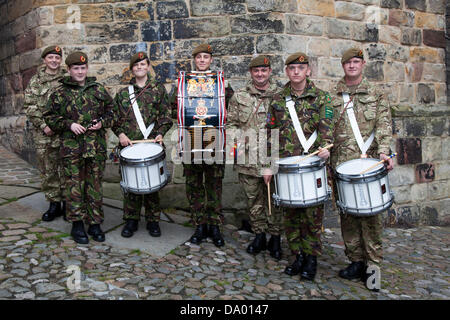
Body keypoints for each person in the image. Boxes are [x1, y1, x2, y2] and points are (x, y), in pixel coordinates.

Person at [263, 52, 334, 281]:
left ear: (308, 71)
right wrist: (267, 166)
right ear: (286, 71)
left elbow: (326, 129)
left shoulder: (322, 98)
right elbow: (269, 136)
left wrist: (326, 149)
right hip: (286, 166)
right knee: (290, 215)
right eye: (292, 68)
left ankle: (311, 258)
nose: (296, 72)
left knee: (312, 216)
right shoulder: (277, 99)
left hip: (312, 164)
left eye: (300, 68)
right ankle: (297, 257)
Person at [331, 48, 393, 291]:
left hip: (368, 165)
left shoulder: (377, 94)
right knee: (347, 216)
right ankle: (355, 260)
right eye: (348, 62)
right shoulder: (333, 96)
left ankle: (373, 266)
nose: (352, 65)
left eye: (356, 61)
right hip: (342, 165)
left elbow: (384, 125)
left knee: (371, 218)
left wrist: (385, 151)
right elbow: (327, 129)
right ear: (343, 65)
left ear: (363, 64)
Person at [44, 51, 115, 244]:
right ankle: (76, 224)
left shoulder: (98, 89)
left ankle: (94, 223)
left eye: (83, 68)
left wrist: (102, 123)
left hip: (95, 147)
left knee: (94, 186)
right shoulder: (60, 92)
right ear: (69, 70)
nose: (80, 71)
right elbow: (49, 116)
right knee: (74, 186)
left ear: (87, 68)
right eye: (76, 68)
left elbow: (112, 112)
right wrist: (69, 124)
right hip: (71, 148)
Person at [171, 44, 233, 248]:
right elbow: (174, 108)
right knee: (195, 185)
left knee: (214, 185)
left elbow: (230, 108)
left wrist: (224, 91)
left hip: (214, 140)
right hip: (191, 140)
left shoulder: (221, 82)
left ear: (211, 60)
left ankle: (214, 226)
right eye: (199, 57)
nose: (203, 60)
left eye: (206, 57)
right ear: (194, 60)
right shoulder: (182, 82)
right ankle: (199, 225)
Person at [227, 55, 283, 259]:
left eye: (264, 70)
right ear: (251, 73)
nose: (260, 74)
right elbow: (230, 123)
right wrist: (238, 140)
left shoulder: (280, 95)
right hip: (248, 158)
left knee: (274, 200)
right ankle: (259, 235)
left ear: (269, 72)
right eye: (256, 71)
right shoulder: (239, 96)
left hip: (273, 156)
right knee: (254, 200)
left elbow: (285, 127)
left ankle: (275, 237)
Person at [112, 52, 172, 238]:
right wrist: (121, 134)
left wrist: (160, 133)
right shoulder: (123, 95)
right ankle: (131, 220)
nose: (139, 67)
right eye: (136, 65)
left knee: (152, 185)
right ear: (131, 69)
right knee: (131, 186)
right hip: (130, 146)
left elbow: (165, 115)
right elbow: (113, 118)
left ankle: (153, 221)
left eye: (143, 64)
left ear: (148, 67)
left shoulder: (158, 90)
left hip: (151, 144)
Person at [25, 46, 66, 222]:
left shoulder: (67, 79)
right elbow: (30, 106)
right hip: (45, 134)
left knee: (66, 169)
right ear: (44, 60)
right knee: (48, 170)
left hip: (65, 133)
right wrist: (43, 125)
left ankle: (68, 204)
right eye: (51, 57)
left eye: (57, 57)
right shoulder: (36, 81)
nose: (54, 61)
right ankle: (54, 204)